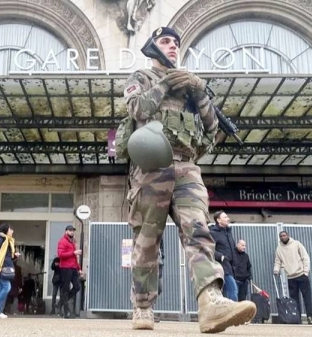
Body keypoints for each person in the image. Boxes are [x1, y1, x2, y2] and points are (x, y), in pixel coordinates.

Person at [123, 27, 256, 332]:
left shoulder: (191, 88)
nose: (172, 47)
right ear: (153, 47)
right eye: (165, 42)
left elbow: (211, 130)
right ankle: (143, 307)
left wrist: (199, 91)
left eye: (176, 43)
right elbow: (137, 109)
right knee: (146, 243)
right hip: (151, 166)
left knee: (199, 230)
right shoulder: (141, 78)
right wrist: (167, 82)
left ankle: (210, 300)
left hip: (186, 166)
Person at [273, 231, 312, 325]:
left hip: (301, 275)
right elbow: (278, 261)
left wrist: (306, 272)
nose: (283, 237)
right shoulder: (279, 249)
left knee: (307, 298)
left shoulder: (296, 244)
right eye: (281, 236)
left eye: (284, 235)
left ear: (288, 236)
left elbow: (305, 257)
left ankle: (309, 317)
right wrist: (276, 270)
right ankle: (297, 318)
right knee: (294, 300)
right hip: (290, 277)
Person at [0, 222, 20, 319]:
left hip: (4, 267)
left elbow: (7, 257)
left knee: (1, 288)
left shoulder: (8, 241)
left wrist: (14, 256)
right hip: (1, 268)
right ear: (6, 230)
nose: (12, 231)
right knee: (6, 287)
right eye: (10, 229)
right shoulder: (0, 239)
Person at [210, 211, 238, 301]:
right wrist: (221, 257)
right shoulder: (213, 233)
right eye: (225, 217)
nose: (228, 219)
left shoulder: (228, 232)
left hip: (231, 267)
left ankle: (224, 313)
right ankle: (234, 313)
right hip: (221, 267)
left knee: (224, 293)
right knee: (233, 290)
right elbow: (208, 249)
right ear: (218, 220)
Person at [57, 225, 82, 319]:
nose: (72, 232)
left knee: (77, 287)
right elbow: (60, 255)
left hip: (73, 268)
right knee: (65, 289)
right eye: (70, 230)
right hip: (65, 268)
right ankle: (66, 312)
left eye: (73, 231)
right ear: (66, 231)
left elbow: (75, 258)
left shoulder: (72, 242)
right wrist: (73, 253)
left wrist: (79, 269)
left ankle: (60, 303)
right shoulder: (62, 241)